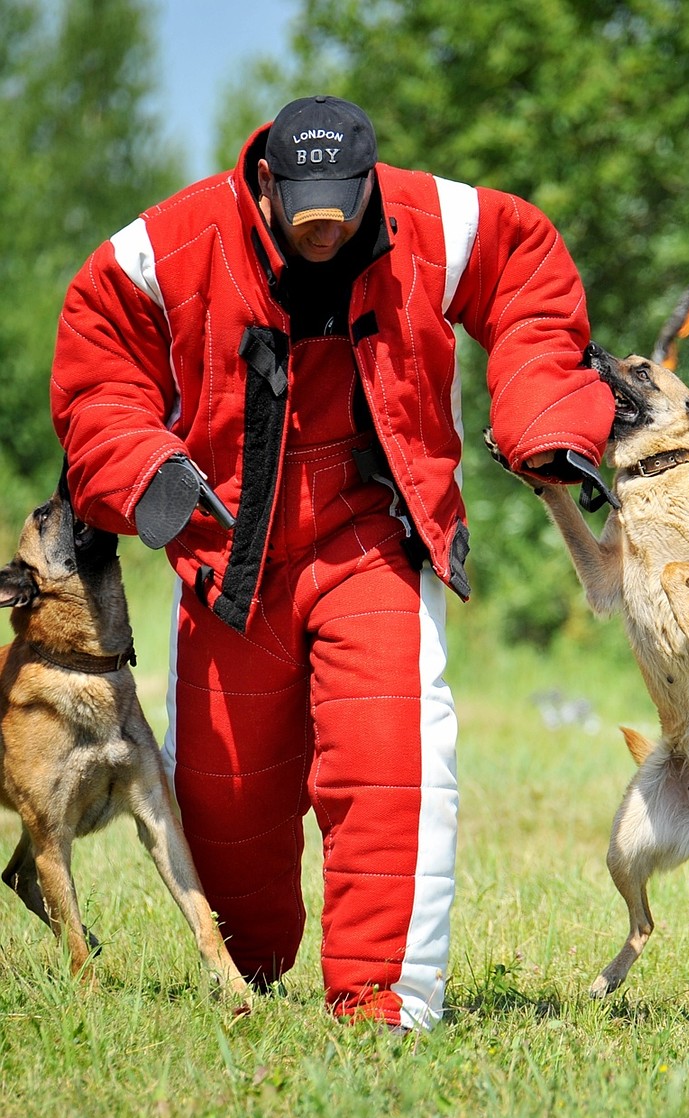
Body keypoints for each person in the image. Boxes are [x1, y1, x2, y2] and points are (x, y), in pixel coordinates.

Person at [49, 95, 614, 1032]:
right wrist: (141, 467)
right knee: (230, 814)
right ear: (265, 179)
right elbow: (98, 366)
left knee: (390, 769)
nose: (325, 228)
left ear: (370, 185)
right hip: (232, 552)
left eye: (343, 206)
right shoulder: (170, 243)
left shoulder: (435, 219)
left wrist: (546, 413)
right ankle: (255, 973)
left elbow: (530, 278)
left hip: (375, 542)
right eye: (304, 205)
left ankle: (381, 1007)